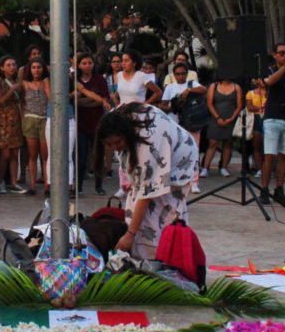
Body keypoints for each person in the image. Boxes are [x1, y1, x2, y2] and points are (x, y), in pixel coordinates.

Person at [98, 103, 197, 260]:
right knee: (135, 212)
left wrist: (130, 235)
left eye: (117, 143)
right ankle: (144, 256)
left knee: (161, 220)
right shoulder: (114, 119)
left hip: (178, 164)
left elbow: (147, 193)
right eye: (109, 144)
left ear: (127, 134)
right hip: (156, 154)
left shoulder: (150, 141)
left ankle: (161, 260)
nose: (114, 148)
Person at [259, 44, 285, 207]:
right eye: (282, 53)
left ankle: (280, 188)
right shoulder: (270, 70)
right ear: (275, 55)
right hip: (273, 118)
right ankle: (264, 189)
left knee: (284, 156)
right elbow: (269, 82)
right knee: (269, 156)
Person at [159, 61, 205, 192]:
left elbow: (204, 89)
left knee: (194, 152)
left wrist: (188, 91)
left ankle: (194, 182)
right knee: (170, 154)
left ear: (187, 74)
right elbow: (163, 105)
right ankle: (168, 181)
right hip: (174, 122)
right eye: (178, 74)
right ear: (173, 75)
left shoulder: (192, 84)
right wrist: (173, 106)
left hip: (191, 123)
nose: (180, 76)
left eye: (183, 74)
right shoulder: (170, 87)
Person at [73, 52, 111, 195]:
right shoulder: (75, 80)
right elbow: (75, 102)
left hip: (97, 122)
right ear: (78, 65)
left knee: (98, 155)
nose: (87, 66)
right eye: (84, 63)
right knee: (81, 157)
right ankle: (79, 186)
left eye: (90, 63)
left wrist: (86, 100)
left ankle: (99, 185)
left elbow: (104, 97)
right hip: (81, 124)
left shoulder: (99, 79)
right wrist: (94, 100)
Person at [0, 55, 27, 194]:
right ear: (2, 68)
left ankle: (13, 182)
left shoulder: (17, 81)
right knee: (5, 154)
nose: (12, 67)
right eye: (8, 65)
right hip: (3, 120)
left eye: (14, 64)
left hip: (16, 119)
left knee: (15, 153)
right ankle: (0, 181)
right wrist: (13, 88)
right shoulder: (0, 81)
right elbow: (1, 100)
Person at [20, 57, 50, 195]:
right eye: (33, 67)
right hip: (30, 119)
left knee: (45, 155)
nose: (36, 70)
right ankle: (32, 186)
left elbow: (50, 98)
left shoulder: (46, 82)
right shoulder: (24, 84)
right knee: (32, 155)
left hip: (44, 119)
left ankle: (47, 185)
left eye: (39, 67)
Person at [202, 76, 242, 179]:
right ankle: (205, 168)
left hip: (230, 118)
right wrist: (217, 117)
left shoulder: (236, 87)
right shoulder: (214, 86)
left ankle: (224, 167)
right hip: (216, 118)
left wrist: (232, 118)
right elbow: (209, 103)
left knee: (228, 143)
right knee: (212, 143)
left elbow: (239, 105)